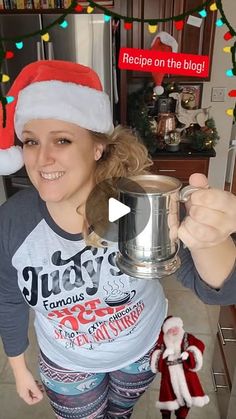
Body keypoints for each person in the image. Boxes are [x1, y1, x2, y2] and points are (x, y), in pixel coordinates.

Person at [0, 60, 235, 419]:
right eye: (31, 141)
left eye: (62, 139)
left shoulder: (132, 205)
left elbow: (217, 290)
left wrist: (211, 240)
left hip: (139, 354)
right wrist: (18, 367)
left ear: (97, 147)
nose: (42, 158)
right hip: (67, 366)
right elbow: (10, 300)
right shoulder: (13, 222)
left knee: (121, 413)